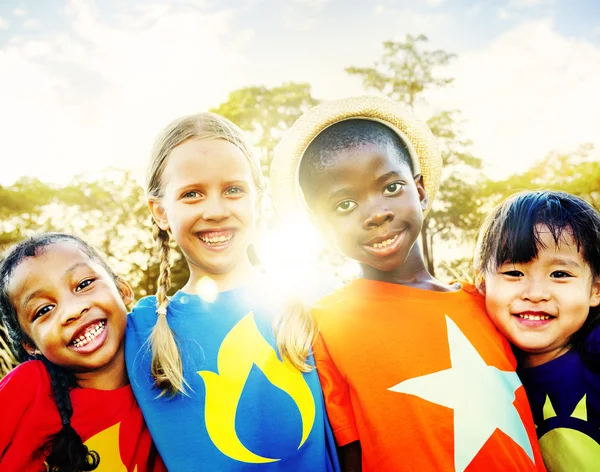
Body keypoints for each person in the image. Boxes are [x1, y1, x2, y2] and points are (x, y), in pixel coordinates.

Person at [269, 96, 546, 472]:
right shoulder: (326, 325)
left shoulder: (486, 302)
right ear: (320, 228)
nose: (377, 213)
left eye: (391, 188)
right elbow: (351, 452)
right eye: (345, 205)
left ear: (419, 189)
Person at [125, 112, 339, 471]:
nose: (215, 210)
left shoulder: (312, 294)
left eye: (233, 190)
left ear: (257, 197)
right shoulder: (139, 329)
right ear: (160, 212)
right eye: (192, 194)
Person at [0, 233, 164, 472]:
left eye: (84, 284)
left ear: (123, 289)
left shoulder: (167, 388)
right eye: (44, 309)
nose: (73, 311)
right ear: (30, 345)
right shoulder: (30, 387)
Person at [475, 190, 600, 471]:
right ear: (482, 284)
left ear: (595, 290)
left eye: (560, 274)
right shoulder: (478, 369)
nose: (535, 293)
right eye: (514, 273)